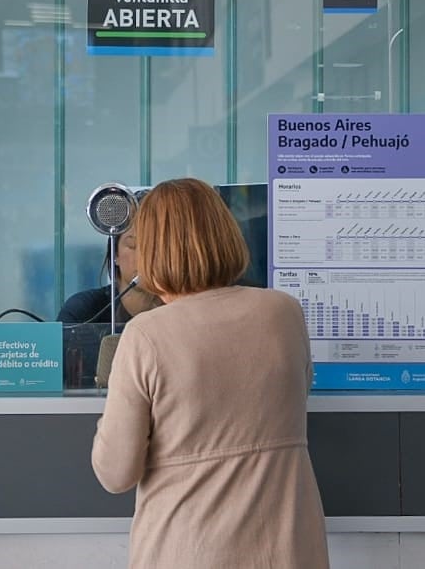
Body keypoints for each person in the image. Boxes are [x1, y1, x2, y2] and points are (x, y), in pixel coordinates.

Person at [91, 177, 329, 569]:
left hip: (188, 550)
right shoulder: (284, 313)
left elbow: (116, 473)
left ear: (150, 250)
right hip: (288, 551)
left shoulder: (146, 335)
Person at [57, 229, 161, 324]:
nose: (144, 256)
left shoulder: (175, 312)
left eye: (154, 246)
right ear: (115, 254)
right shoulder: (82, 311)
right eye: (132, 245)